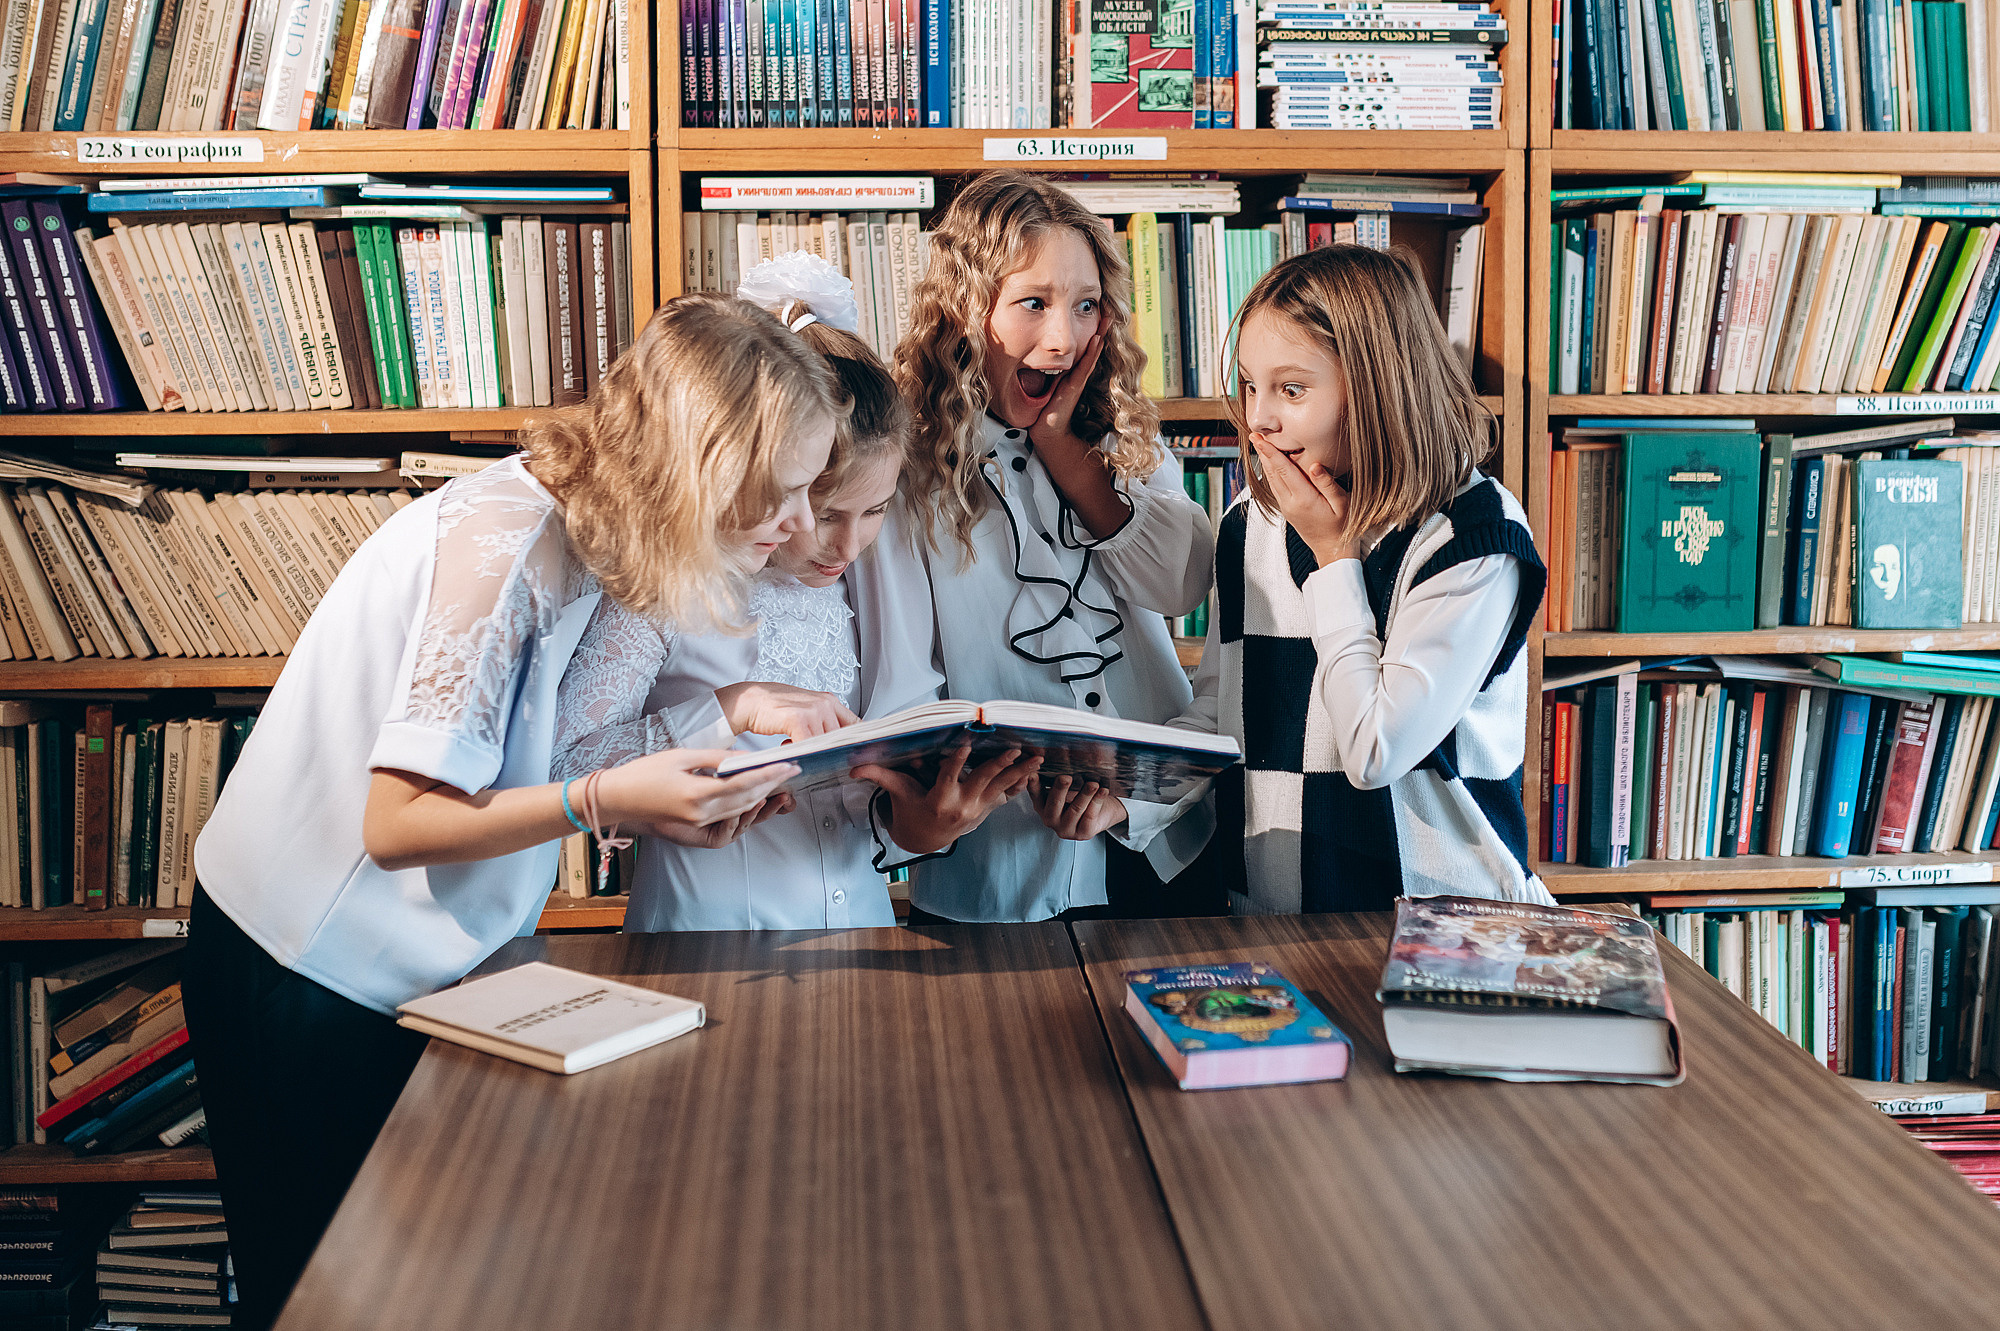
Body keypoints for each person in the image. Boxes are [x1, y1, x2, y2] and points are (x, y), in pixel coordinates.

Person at [184, 293, 846, 1330]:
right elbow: (399, 821)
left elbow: (548, 750)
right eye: (787, 492)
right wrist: (605, 798)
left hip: (426, 965)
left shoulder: (599, 531)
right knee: (319, 1299)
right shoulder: (501, 548)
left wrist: (674, 779)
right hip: (306, 965)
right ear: (706, 470)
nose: (804, 525)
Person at [561, 255, 1038, 929]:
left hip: (862, 932)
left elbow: (863, 814)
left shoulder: (861, 594)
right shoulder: (666, 584)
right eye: (825, 511)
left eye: (873, 512)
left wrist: (926, 827)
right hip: (700, 939)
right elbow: (565, 765)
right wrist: (728, 709)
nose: (844, 546)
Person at [1115, 244, 1554, 912]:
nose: (1260, 416)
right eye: (1251, 384)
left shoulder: (1472, 538)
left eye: (1291, 389)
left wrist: (1335, 559)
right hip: (1274, 921)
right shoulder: (1251, 522)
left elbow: (1375, 748)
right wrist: (1127, 799)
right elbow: (1223, 710)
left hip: (1446, 932)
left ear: (1380, 387)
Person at [890, 169, 1218, 924]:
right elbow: (902, 682)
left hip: (1162, 842)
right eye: (1033, 303)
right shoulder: (904, 471)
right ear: (967, 310)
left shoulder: (1124, 439)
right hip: (1002, 867)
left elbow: (1185, 582)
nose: (1063, 338)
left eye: (1085, 306)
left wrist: (1069, 455)